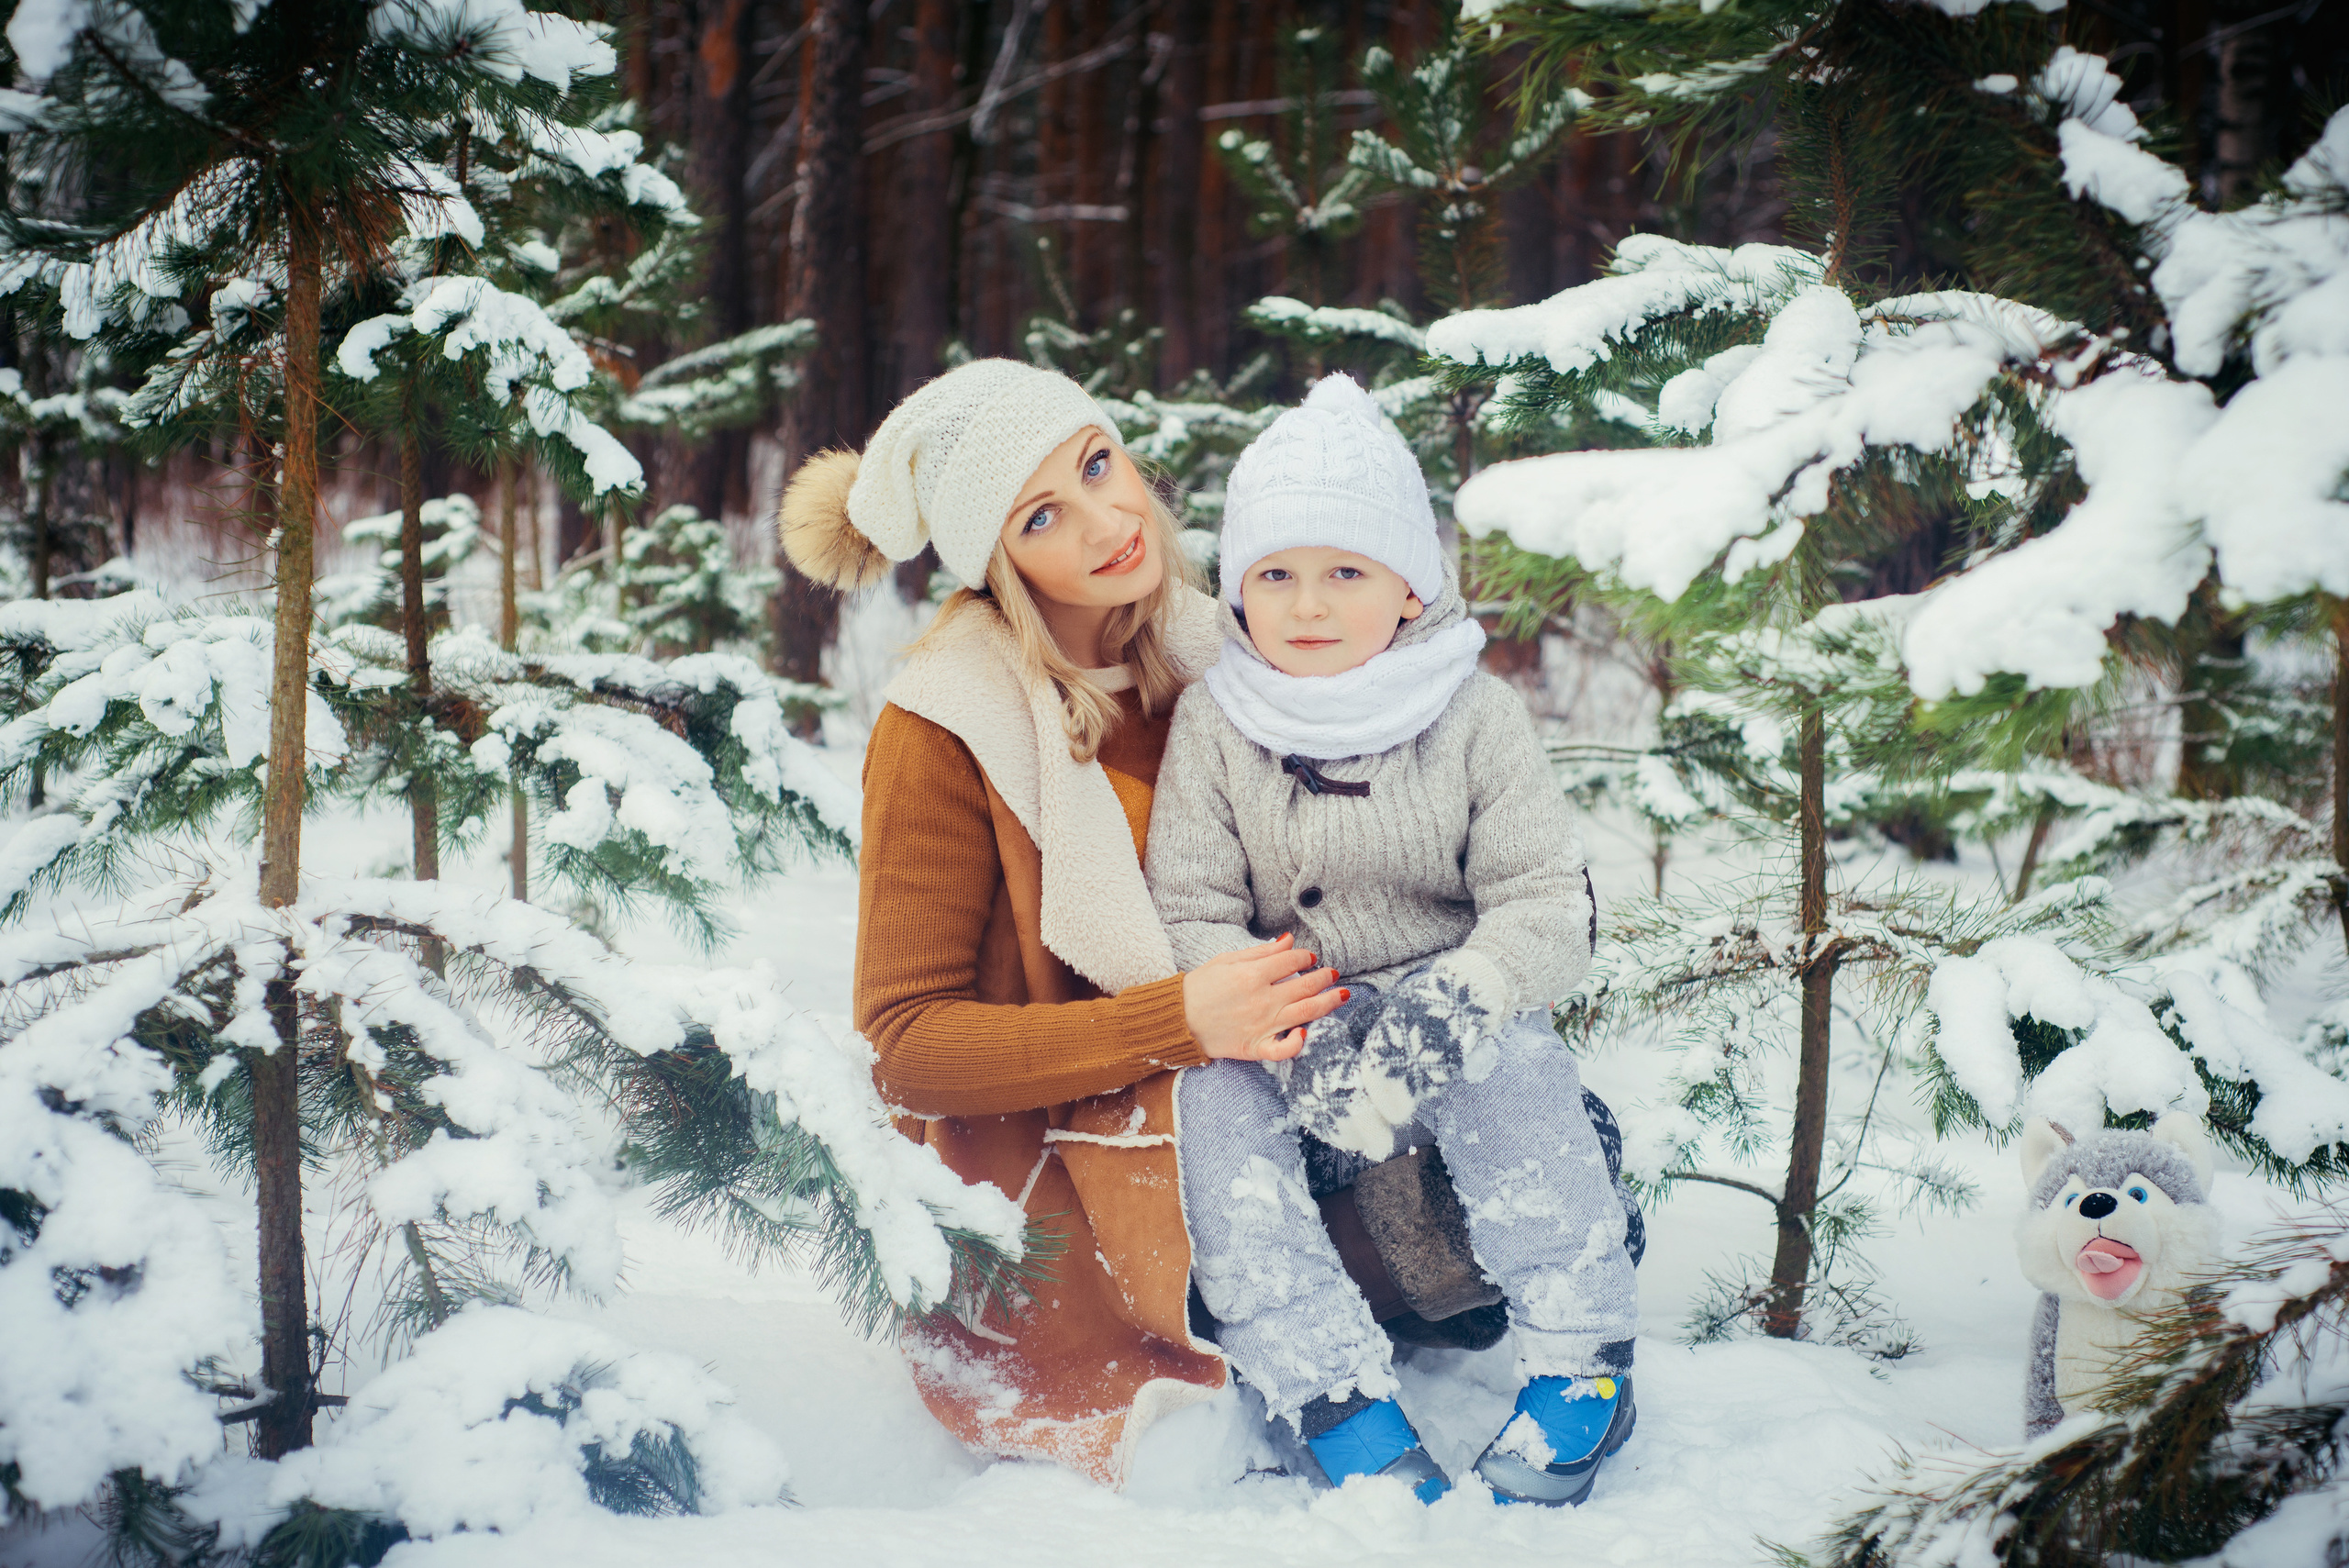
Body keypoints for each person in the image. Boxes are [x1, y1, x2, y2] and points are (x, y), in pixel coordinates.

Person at [775, 359, 1345, 1489]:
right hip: (1047, 1142)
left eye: (1098, 465)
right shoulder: (943, 724)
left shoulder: (1224, 650)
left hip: (1257, 1054)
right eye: (1043, 514)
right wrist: (1175, 1019)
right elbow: (907, 1043)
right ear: (999, 558)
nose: (1108, 520)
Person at [1143, 373, 1642, 1507]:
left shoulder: (1473, 714)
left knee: (1517, 1064)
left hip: (1447, 1005)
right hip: (1293, 1021)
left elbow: (1544, 902)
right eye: (1275, 573)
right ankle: (1324, 1385)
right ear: (1236, 588)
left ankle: (1580, 1358)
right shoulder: (1218, 718)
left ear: (1409, 587)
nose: (1307, 603)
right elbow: (1190, 902)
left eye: (1344, 572)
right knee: (1210, 1110)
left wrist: (1461, 996)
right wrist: (1285, 1019)